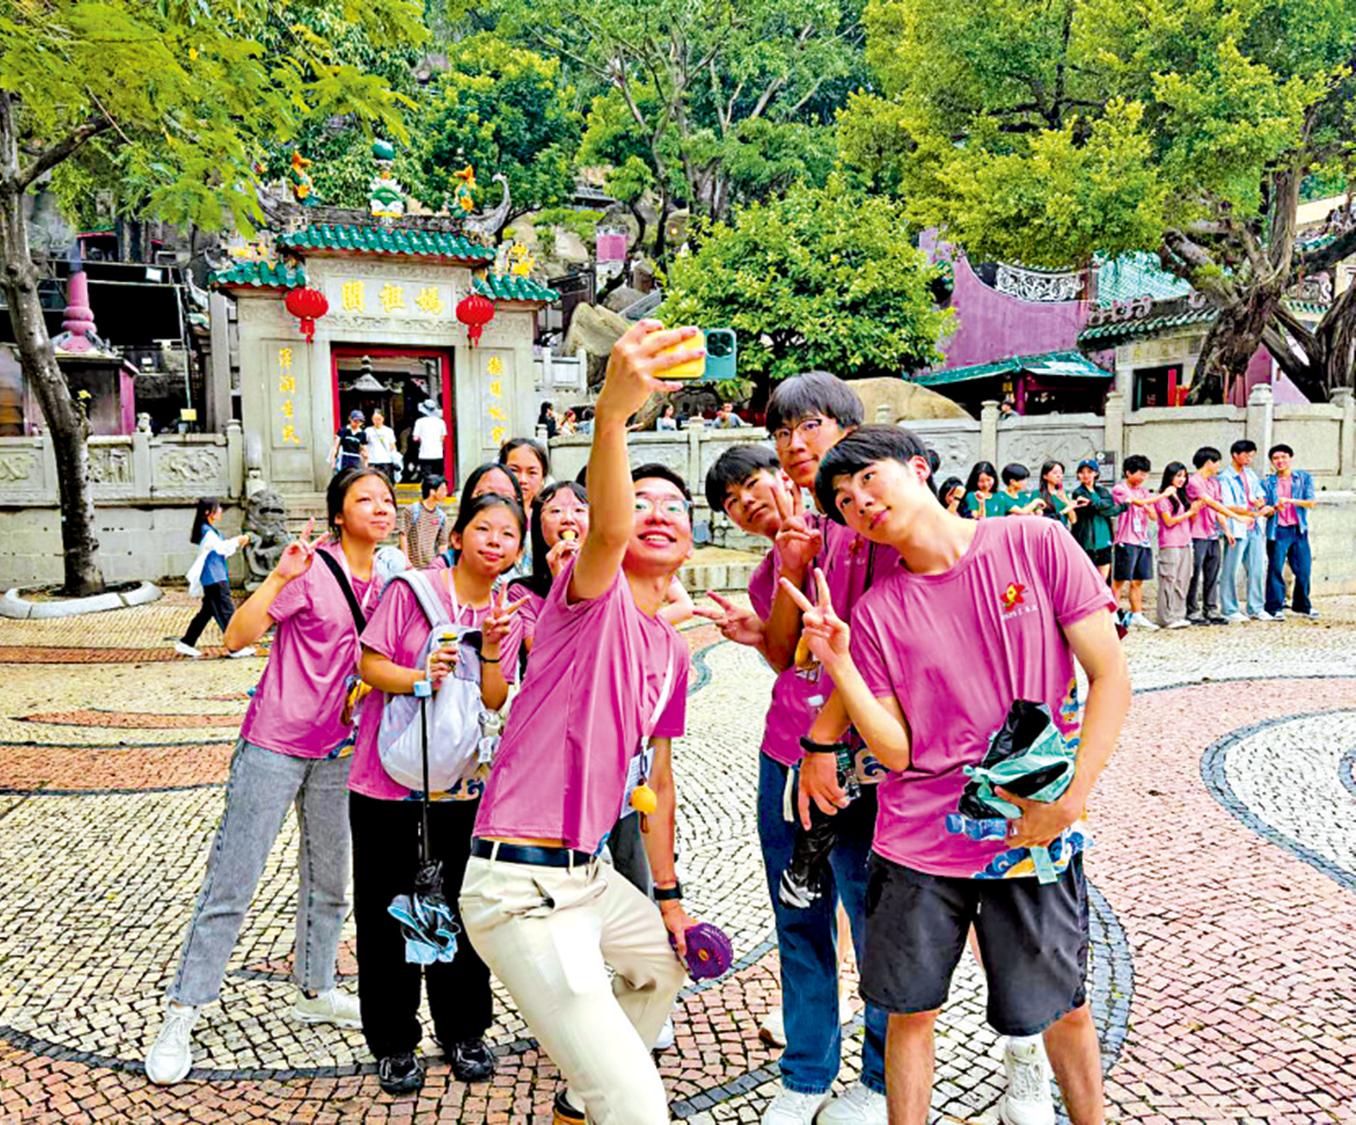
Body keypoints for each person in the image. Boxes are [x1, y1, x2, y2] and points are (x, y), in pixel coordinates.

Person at [789, 425, 1129, 1125]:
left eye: (867, 480)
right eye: (845, 502)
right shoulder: (877, 612)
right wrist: (841, 663)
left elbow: (1110, 674)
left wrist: (1072, 799)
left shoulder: (1033, 543)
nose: (859, 502)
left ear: (917, 468)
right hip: (916, 845)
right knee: (908, 1010)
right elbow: (898, 755)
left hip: (1031, 830)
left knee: (1063, 1004)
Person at [458, 320, 704, 1125]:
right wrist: (611, 418)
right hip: (521, 885)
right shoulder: (582, 602)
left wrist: (667, 896)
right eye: (647, 503)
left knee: (660, 970)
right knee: (638, 1106)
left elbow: (656, 781)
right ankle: (603, 1099)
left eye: (679, 506)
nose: (658, 514)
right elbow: (607, 529)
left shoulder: (668, 649)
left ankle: (573, 1101)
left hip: (592, 875)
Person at [145, 468, 397, 1085]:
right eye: (365, 499)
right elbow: (235, 637)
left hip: (342, 749)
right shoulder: (309, 567)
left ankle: (313, 990)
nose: (380, 508)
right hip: (275, 742)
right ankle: (185, 1007)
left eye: (387, 499)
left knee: (332, 880)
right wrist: (280, 574)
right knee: (233, 880)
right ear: (339, 514)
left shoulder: (391, 577)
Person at [351, 492, 528, 1095]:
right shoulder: (413, 591)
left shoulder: (511, 608)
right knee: (387, 913)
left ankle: (463, 1030)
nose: (494, 542)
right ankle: (395, 1042)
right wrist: (421, 677)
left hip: (465, 791)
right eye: (483, 528)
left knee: (462, 910)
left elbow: (497, 699)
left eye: (508, 534)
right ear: (459, 533)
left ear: (518, 548)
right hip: (388, 785)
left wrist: (497, 649)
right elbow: (369, 665)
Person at [1185, 447, 1253, 625]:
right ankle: (1191, 610)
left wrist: (1227, 529)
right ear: (1208, 462)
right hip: (1196, 534)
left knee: (1212, 573)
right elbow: (1210, 503)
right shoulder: (1194, 481)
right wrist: (1237, 517)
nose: (1219, 466)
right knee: (1194, 573)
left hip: (1212, 534)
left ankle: (1211, 609)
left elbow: (1217, 510)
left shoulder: (1214, 482)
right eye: (1217, 462)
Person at [178, 497, 253, 659]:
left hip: (214, 576)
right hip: (215, 578)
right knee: (226, 612)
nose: (220, 512)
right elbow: (221, 548)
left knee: (207, 612)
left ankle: (187, 642)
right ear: (208, 513)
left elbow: (222, 550)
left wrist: (236, 542)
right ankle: (235, 647)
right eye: (217, 509)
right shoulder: (208, 533)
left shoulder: (209, 530)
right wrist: (238, 541)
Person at [1261, 443, 1318, 620]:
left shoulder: (1303, 478)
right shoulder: (1268, 482)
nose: (1280, 461)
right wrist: (1273, 507)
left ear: (1291, 458)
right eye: (1276, 458)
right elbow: (1264, 507)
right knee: (1275, 569)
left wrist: (1290, 500)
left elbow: (1311, 502)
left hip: (1298, 529)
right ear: (1271, 462)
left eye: (1283, 457)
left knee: (1304, 569)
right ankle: (1274, 606)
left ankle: (1302, 605)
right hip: (1277, 531)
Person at [1218, 439, 1269, 622]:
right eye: (1246, 454)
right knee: (1231, 569)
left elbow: (1260, 495)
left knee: (1257, 568)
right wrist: (1254, 511)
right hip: (1236, 527)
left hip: (1254, 526)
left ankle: (1256, 607)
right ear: (1235, 455)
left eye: (1251, 455)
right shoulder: (1225, 477)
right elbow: (1228, 506)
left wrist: (1260, 504)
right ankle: (1230, 609)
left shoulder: (1251, 474)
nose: (1249, 458)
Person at [1111, 455, 1161, 630]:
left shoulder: (1144, 491)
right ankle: (1114, 615)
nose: (1142, 478)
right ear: (1128, 472)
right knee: (1119, 580)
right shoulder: (1120, 488)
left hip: (1143, 541)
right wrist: (1163, 495)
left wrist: (1149, 510)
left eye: (1145, 474)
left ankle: (1137, 615)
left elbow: (1154, 516)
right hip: (1125, 540)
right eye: (1139, 474)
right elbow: (1136, 502)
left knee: (1138, 581)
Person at [1154, 462, 1199, 629]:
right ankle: (1166, 618)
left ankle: (1178, 615)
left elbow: (1190, 520)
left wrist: (1193, 511)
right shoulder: (1163, 497)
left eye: (1184, 476)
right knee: (1168, 580)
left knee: (1183, 580)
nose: (1182, 479)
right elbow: (1169, 521)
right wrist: (1189, 513)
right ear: (1169, 476)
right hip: (1170, 544)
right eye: (1178, 476)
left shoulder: (1182, 496)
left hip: (1185, 543)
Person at [1069, 460, 1121, 579]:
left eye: (1089, 472)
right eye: (1082, 472)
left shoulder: (1102, 491)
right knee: (1087, 578)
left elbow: (1110, 508)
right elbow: (1094, 509)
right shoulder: (1078, 492)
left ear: (1096, 474)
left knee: (1104, 578)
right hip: (1086, 540)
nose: (1086, 475)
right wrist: (1100, 506)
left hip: (1104, 539)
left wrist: (1093, 503)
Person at [398, 475, 451, 570]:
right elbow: (403, 535)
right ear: (432, 491)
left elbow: (442, 544)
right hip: (411, 567)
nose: (445, 493)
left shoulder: (441, 516)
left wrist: (441, 565)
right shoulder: (412, 510)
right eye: (442, 490)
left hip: (430, 568)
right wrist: (406, 559)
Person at [1037, 461, 1078, 527]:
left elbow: (1073, 520)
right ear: (1045, 476)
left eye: (1061, 473)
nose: (1059, 476)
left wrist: (1066, 500)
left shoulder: (1064, 494)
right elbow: (1039, 517)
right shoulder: (1037, 494)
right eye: (1055, 473)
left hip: (1063, 530)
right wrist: (1064, 511)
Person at [413, 401, 447, 481]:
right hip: (438, 454)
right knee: (438, 477)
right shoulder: (441, 422)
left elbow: (415, 438)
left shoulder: (419, 422)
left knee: (426, 478)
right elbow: (442, 438)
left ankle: (427, 492)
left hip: (424, 454)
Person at [365, 409, 399, 482]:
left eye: (379, 419)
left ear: (383, 419)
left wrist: (395, 458)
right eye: (374, 419)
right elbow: (365, 444)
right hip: (372, 460)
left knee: (385, 480)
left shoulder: (388, 431)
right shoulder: (368, 431)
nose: (377, 421)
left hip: (386, 460)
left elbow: (392, 445)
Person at [329, 410, 368, 474]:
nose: (357, 423)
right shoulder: (343, 430)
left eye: (359, 422)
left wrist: (365, 461)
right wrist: (333, 461)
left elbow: (364, 449)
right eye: (355, 421)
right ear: (350, 419)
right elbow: (335, 447)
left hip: (356, 459)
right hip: (344, 458)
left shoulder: (362, 434)